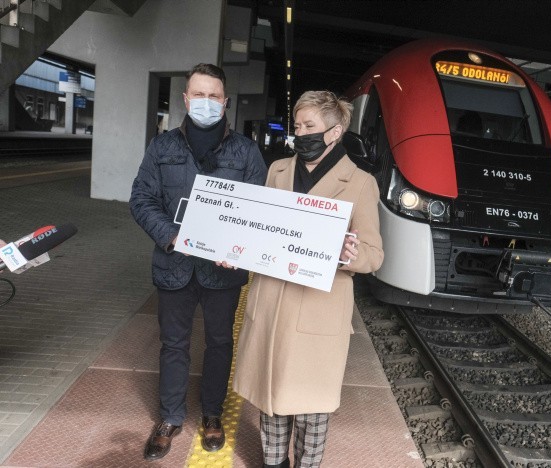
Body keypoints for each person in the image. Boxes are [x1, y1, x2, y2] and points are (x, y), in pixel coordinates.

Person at [232, 90, 384, 468]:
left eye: (309, 126)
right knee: (270, 396)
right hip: (271, 301)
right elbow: (260, 230)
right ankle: (273, 463)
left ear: (334, 131)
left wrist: (351, 254)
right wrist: (234, 248)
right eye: (297, 126)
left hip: (318, 309)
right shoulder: (278, 170)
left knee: (312, 406)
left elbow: (374, 255)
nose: (301, 134)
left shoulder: (361, 182)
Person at [129, 63, 267, 461]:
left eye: (213, 96)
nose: (206, 103)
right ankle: (170, 417)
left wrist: (237, 247)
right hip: (175, 264)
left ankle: (211, 415)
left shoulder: (246, 151)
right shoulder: (162, 147)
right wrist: (170, 236)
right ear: (186, 99)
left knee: (220, 342)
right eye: (198, 95)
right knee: (173, 343)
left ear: (225, 102)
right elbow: (141, 199)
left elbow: (257, 210)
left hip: (223, 270)